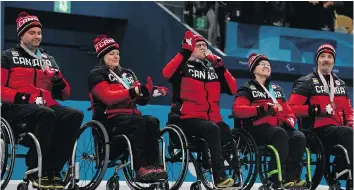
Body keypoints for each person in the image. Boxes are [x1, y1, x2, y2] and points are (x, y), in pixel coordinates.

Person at [1, 12, 83, 189]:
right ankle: (36, 167)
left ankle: (52, 171)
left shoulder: (48, 59)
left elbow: (65, 94)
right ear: (21, 35)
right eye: (32, 32)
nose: (37, 36)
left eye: (39, 32)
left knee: (74, 115)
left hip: (46, 107)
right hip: (17, 108)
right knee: (46, 114)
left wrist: (57, 80)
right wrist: (25, 97)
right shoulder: (8, 56)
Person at [88, 35, 169, 181]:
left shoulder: (128, 74)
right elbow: (108, 98)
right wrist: (134, 91)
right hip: (109, 119)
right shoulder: (97, 75)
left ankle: (154, 166)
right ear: (102, 56)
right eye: (111, 54)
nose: (116, 56)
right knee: (136, 122)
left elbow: (140, 99)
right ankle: (141, 168)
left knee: (151, 121)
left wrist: (148, 93)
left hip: (131, 115)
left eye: (117, 53)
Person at [162, 31, 237, 188]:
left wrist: (220, 66)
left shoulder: (212, 68)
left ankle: (233, 174)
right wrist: (184, 52)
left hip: (212, 119)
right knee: (212, 129)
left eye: (205, 45)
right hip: (186, 118)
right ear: (190, 48)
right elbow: (166, 73)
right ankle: (219, 177)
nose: (203, 48)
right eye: (199, 46)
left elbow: (233, 88)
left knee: (225, 130)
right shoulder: (182, 65)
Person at [232, 53, 307, 189]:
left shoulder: (277, 90)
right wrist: (261, 109)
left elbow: (288, 110)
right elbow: (237, 110)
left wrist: (289, 119)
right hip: (256, 128)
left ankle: (291, 177)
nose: (266, 66)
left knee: (298, 137)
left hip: (278, 127)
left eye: (268, 64)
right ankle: (275, 176)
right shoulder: (247, 88)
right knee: (279, 133)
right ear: (254, 69)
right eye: (262, 64)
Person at [288, 44, 353, 188]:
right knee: (348, 133)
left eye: (330, 57)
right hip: (315, 132)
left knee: (350, 131)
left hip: (338, 131)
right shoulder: (305, 82)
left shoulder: (341, 84)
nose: (326, 59)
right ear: (317, 60)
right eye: (322, 56)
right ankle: (341, 172)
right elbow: (291, 109)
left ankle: (347, 177)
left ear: (333, 61)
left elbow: (349, 110)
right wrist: (316, 110)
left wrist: (351, 121)